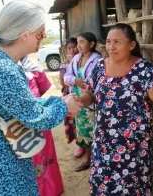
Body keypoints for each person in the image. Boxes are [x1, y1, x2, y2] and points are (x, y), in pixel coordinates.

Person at [0, 0, 82, 196]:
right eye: (41, 32)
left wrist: (60, 102)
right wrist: (64, 106)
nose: (42, 37)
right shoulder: (3, 70)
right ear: (25, 34)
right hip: (0, 162)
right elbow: (35, 117)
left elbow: (23, 106)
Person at [79, 23, 153, 195]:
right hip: (104, 144)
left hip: (133, 147)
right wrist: (80, 99)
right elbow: (89, 92)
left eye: (117, 42)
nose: (111, 47)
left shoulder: (142, 68)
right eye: (109, 42)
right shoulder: (99, 67)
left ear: (132, 45)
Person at [20, 56, 64, 196]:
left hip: (34, 118)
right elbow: (43, 87)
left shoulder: (25, 68)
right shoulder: (32, 68)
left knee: (40, 153)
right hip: (31, 118)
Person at [64, 32, 101, 172]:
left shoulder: (97, 60)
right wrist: (76, 80)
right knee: (82, 131)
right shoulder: (76, 59)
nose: (78, 46)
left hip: (90, 101)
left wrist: (81, 83)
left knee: (93, 132)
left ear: (91, 44)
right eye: (78, 42)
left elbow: (93, 83)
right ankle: (88, 160)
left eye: (82, 42)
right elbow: (67, 77)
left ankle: (92, 161)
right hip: (77, 100)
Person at [59, 37, 78, 144]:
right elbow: (63, 83)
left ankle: (84, 145)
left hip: (80, 94)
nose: (72, 50)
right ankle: (78, 144)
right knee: (71, 121)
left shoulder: (83, 61)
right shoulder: (64, 64)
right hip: (68, 96)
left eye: (74, 47)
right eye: (69, 48)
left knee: (81, 121)